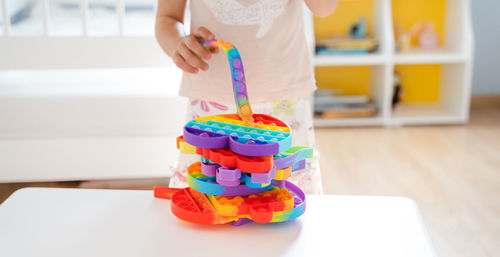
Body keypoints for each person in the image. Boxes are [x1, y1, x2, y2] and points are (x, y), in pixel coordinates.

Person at [155, 0, 338, 194]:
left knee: (288, 201)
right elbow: (167, 18)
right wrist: (179, 44)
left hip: (285, 102)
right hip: (210, 103)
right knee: (205, 197)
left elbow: (325, 8)